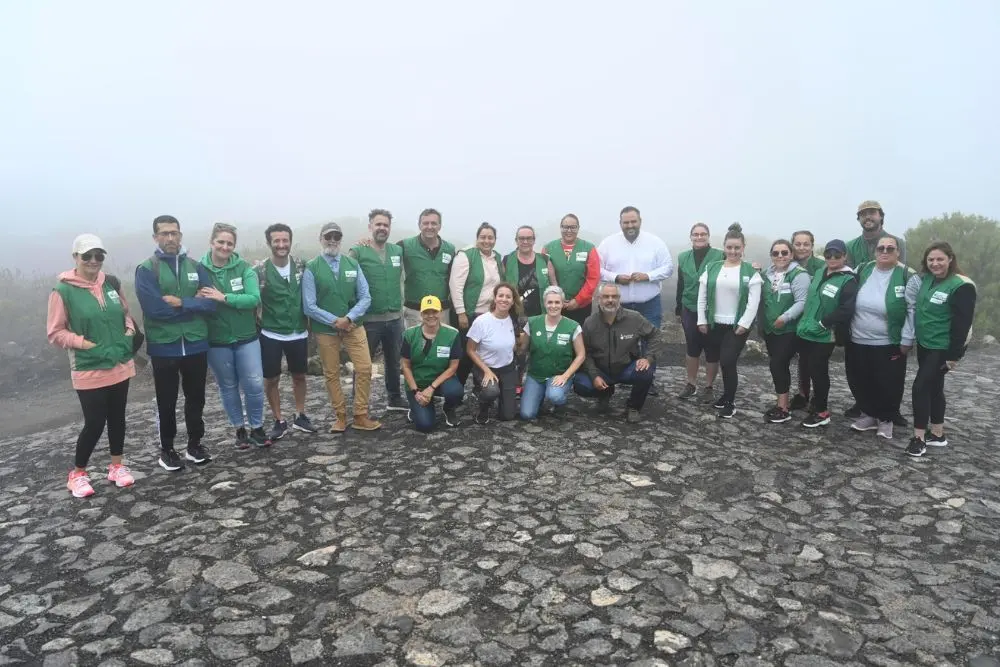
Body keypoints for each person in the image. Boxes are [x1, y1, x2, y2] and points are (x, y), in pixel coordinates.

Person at [48, 234, 137, 497]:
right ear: (75, 258)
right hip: (88, 366)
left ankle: (116, 467)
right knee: (95, 421)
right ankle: (78, 473)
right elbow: (55, 332)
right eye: (87, 256)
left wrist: (129, 332)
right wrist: (85, 344)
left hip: (119, 362)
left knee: (118, 417)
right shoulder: (63, 290)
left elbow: (125, 314)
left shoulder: (110, 283)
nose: (93, 261)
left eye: (99, 255)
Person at [135, 214, 217, 471]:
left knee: (196, 397)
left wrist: (182, 302)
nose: (170, 238)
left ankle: (195, 444)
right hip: (164, 345)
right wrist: (194, 306)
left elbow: (211, 303)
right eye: (164, 233)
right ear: (155, 237)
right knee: (166, 400)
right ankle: (167, 449)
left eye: (174, 233)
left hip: (195, 343)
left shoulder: (196, 266)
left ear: (180, 235)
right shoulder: (146, 269)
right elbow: (154, 308)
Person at [302, 221, 381, 432]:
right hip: (326, 330)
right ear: (321, 239)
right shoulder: (311, 267)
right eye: (328, 237)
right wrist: (335, 320)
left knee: (364, 368)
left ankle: (360, 415)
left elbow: (365, 296)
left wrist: (348, 317)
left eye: (336, 237)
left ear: (341, 240)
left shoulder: (352, 264)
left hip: (354, 326)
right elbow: (309, 305)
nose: (332, 241)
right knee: (331, 373)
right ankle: (340, 416)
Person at [199, 223, 268, 449]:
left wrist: (224, 298)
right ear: (212, 242)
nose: (225, 247)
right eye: (220, 242)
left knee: (255, 383)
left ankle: (257, 427)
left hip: (246, 337)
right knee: (228, 386)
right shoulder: (199, 269)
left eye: (229, 243)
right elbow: (193, 297)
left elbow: (253, 299)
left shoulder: (244, 269)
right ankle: (239, 429)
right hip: (216, 340)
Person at [904, 242, 976, 457]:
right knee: (935, 388)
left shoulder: (961, 286)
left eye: (940, 259)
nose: (935, 263)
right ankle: (937, 434)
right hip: (925, 344)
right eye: (931, 260)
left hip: (942, 348)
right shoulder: (926, 280)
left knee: (920, 387)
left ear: (950, 259)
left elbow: (963, 324)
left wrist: (954, 356)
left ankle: (918, 438)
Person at [845, 235, 917, 440]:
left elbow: (913, 309)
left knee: (888, 382)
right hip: (858, 338)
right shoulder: (863, 269)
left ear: (898, 252)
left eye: (890, 249)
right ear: (875, 251)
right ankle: (868, 414)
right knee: (860, 379)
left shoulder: (906, 274)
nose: (885, 252)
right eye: (881, 248)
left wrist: (907, 338)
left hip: (889, 341)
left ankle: (886, 419)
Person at [843, 200, 908, 421]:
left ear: (881, 216)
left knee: (890, 374)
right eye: (863, 214)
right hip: (861, 311)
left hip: (889, 315)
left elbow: (902, 274)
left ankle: (891, 411)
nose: (867, 217)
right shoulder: (851, 245)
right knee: (861, 369)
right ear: (859, 218)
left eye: (872, 213)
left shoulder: (896, 241)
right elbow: (848, 278)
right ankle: (864, 405)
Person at [255, 223, 317, 441]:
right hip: (271, 333)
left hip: (298, 331)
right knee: (271, 378)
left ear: (290, 241)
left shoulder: (301, 266)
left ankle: (300, 415)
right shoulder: (259, 271)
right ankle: (278, 420)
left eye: (285, 240)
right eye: (277, 241)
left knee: (299, 375)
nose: (281, 245)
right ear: (269, 243)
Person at [696, 223, 763, 418]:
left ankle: (730, 402)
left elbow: (753, 301)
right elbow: (702, 296)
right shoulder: (712, 267)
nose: (733, 251)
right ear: (724, 247)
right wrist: (702, 319)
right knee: (717, 359)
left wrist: (745, 324)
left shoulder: (750, 271)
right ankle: (725, 396)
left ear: (743, 248)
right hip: (715, 323)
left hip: (736, 326)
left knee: (727, 361)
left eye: (737, 248)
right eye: (729, 247)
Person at [574, 282, 661, 422]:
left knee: (646, 372)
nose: (610, 300)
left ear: (619, 298)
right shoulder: (589, 323)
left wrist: (648, 358)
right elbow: (586, 353)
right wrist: (594, 375)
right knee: (580, 383)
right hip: (602, 371)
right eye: (606, 296)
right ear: (598, 299)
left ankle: (633, 407)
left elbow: (655, 335)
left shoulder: (634, 318)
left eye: (614, 296)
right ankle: (605, 392)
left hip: (626, 367)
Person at [795, 239, 859, 428]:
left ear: (844, 256)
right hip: (806, 331)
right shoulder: (819, 272)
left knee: (818, 370)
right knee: (806, 367)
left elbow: (847, 309)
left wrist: (824, 323)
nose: (832, 258)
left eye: (837, 255)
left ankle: (822, 411)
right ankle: (813, 402)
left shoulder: (848, 280)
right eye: (828, 254)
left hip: (825, 334)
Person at [349, 209, 408, 412]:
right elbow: (349, 282)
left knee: (393, 360)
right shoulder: (357, 251)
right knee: (363, 363)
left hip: (394, 317)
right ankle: (359, 402)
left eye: (386, 225)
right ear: (370, 227)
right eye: (378, 224)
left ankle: (394, 398)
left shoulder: (397, 251)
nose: (382, 228)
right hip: (368, 319)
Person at [758, 239, 809, 423]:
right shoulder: (766, 274)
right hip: (771, 330)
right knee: (778, 365)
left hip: (790, 329)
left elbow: (802, 302)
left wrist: (785, 317)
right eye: (776, 253)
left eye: (784, 253)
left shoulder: (799, 274)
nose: (780, 256)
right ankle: (782, 403)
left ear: (791, 254)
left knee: (777, 364)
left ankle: (783, 408)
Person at [504, 225, 558, 395]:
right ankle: (517, 383)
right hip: (517, 314)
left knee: (539, 349)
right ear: (516, 240)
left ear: (534, 240)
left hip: (541, 314)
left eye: (529, 238)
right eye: (521, 238)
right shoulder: (507, 260)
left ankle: (540, 383)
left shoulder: (545, 259)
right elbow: (501, 286)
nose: (525, 241)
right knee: (518, 350)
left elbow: (553, 285)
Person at [518, 286, 586, 420]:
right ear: (544, 303)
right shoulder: (532, 323)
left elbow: (581, 355)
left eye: (557, 302)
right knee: (527, 414)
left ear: (562, 304)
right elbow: (522, 349)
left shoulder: (573, 326)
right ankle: (540, 396)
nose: (553, 306)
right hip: (536, 375)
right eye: (550, 302)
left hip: (559, 374)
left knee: (555, 396)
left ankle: (559, 404)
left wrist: (565, 376)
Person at [449, 223, 504, 387]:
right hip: (468, 314)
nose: (486, 241)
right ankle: (456, 391)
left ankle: (481, 388)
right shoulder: (466, 255)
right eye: (483, 237)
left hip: (489, 315)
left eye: (490, 237)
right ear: (477, 238)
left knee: (485, 353)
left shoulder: (497, 257)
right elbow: (455, 285)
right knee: (465, 355)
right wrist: (461, 312)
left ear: (495, 239)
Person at [675, 222, 724, 401]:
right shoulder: (682, 257)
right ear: (691, 237)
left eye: (703, 234)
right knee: (692, 347)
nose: (699, 237)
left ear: (708, 236)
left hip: (712, 309)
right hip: (689, 306)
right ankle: (691, 384)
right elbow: (681, 282)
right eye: (695, 234)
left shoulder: (720, 255)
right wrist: (678, 306)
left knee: (712, 348)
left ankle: (709, 386)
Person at [401, 295, 464, 432]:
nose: (431, 316)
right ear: (421, 314)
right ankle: (415, 407)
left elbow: (453, 367)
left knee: (455, 391)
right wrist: (416, 391)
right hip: (417, 383)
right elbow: (405, 366)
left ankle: (449, 408)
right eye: (426, 312)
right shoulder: (409, 334)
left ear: (440, 312)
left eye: (434, 312)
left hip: (441, 380)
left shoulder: (452, 334)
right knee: (425, 426)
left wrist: (431, 388)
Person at [466, 283, 524, 424]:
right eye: (501, 295)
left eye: (508, 297)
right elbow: (470, 349)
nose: (504, 299)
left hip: (507, 368)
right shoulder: (482, 321)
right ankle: (481, 402)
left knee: (508, 416)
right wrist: (486, 370)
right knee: (491, 391)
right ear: (495, 298)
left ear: (513, 300)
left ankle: (500, 397)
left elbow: (519, 345)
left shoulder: (515, 320)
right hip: (486, 367)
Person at [789, 230, 827, 412]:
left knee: (817, 362)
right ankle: (802, 394)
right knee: (802, 360)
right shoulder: (787, 263)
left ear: (812, 246)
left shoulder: (823, 266)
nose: (802, 248)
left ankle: (818, 399)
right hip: (795, 320)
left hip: (817, 321)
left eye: (806, 244)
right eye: (798, 244)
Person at [398, 208, 456, 328]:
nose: (430, 227)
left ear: (440, 226)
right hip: (415, 310)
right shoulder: (405, 245)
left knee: (440, 345)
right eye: (425, 223)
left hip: (441, 311)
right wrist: (368, 242)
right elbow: (385, 253)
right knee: (416, 346)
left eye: (434, 223)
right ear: (419, 225)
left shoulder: (450, 249)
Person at [541, 214, 600, 325]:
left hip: (581, 306)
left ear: (578, 228)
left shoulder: (589, 248)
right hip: (554, 306)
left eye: (573, 227)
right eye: (565, 227)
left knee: (579, 338)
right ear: (560, 228)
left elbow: (593, 278)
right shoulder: (548, 248)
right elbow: (543, 276)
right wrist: (557, 299)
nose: (569, 230)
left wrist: (578, 300)